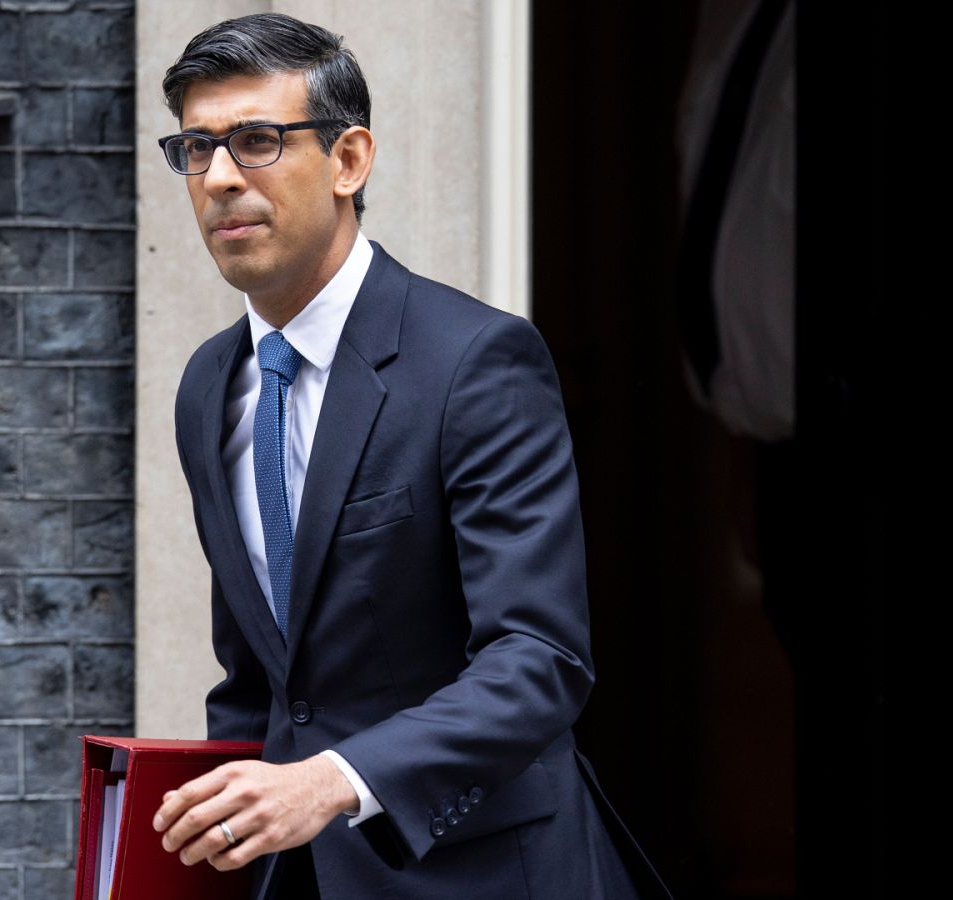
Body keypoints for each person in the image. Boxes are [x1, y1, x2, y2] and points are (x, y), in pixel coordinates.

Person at [147, 14, 672, 900]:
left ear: (350, 160)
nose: (222, 176)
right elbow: (257, 682)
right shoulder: (210, 385)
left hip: (483, 873)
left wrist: (329, 780)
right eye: (196, 149)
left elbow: (538, 658)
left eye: (258, 140)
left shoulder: (476, 361)